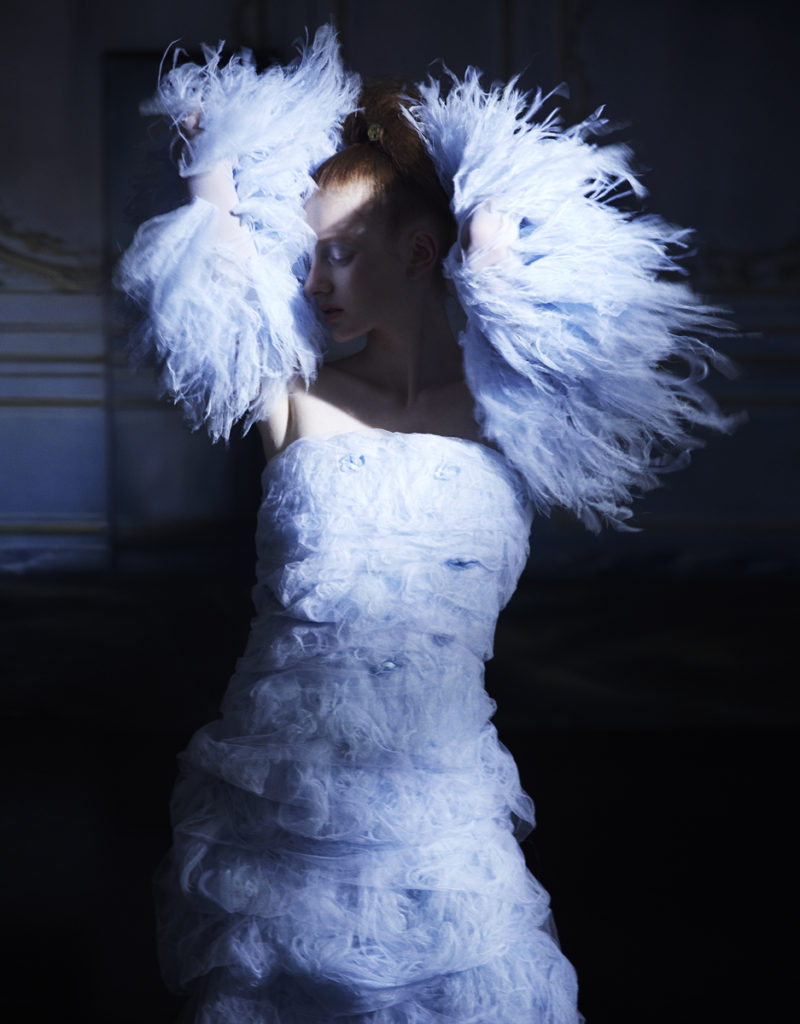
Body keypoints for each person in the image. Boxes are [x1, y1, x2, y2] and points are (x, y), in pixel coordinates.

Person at [116, 27, 733, 1023]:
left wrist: (484, 229)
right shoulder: (291, 394)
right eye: (306, 255)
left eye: (339, 253)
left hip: (440, 814)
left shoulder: (512, 407)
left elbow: (574, 329)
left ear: (417, 251)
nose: (313, 281)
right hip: (284, 809)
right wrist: (212, 163)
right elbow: (215, 270)